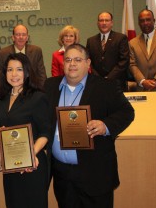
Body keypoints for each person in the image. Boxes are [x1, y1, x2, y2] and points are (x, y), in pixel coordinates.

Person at [44, 44, 134, 208]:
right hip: (62, 175)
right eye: (68, 60)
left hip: (95, 174)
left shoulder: (106, 87)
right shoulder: (49, 86)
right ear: (62, 64)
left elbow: (127, 112)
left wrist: (105, 125)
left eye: (78, 60)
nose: (72, 64)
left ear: (88, 63)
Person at [0, 53, 51, 208]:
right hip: (11, 167)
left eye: (19, 69)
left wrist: (31, 154)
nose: (14, 74)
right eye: (9, 70)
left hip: (33, 165)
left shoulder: (37, 97)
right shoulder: (0, 99)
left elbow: (46, 131)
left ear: (27, 72)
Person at [0, 24, 47, 92]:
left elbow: (41, 75)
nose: (21, 37)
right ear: (13, 37)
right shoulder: (2, 53)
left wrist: (41, 92)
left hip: (32, 91)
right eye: (18, 34)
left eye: (23, 34)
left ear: (27, 37)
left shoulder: (36, 51)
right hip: (10, 92)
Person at [86, 12, 130, 91]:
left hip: (117, 83)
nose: (104, 23)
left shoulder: (121, 38)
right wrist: (98, 78)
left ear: (111, 23)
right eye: (101, 20)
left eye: (107, 20)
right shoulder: (90, 41)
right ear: (98, 23)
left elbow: (124, 61)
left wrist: (108, 78)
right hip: (96, 83)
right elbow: (88, 62)